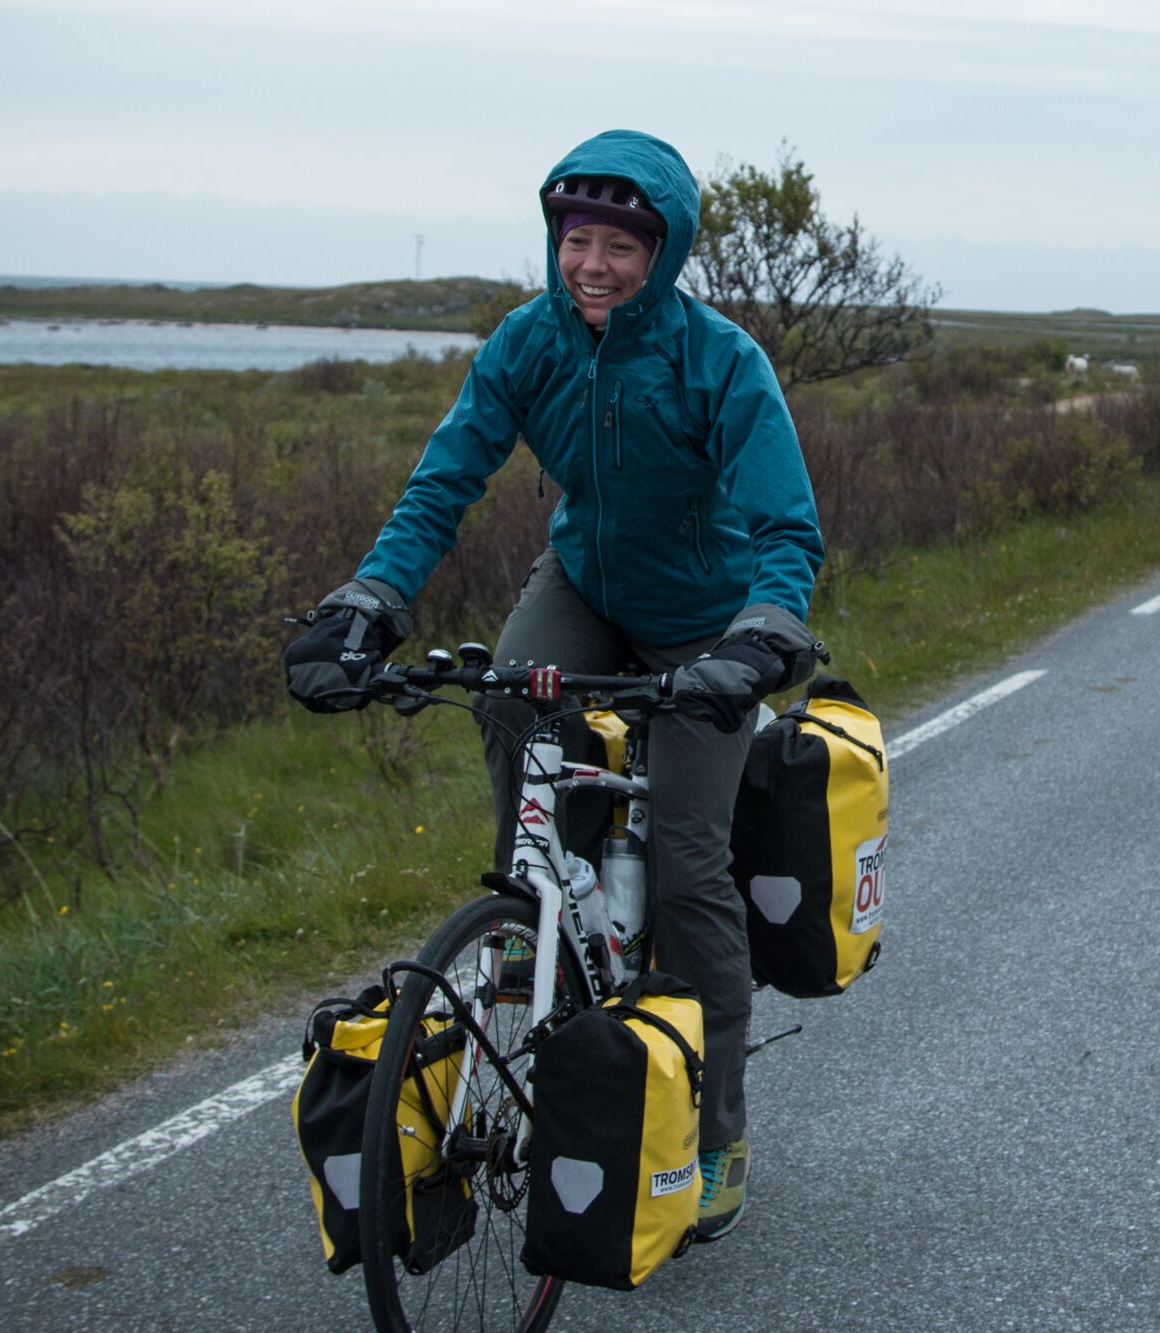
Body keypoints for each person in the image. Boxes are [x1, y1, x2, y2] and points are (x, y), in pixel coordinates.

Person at [282, 128, 825, 1243]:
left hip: (706, 621)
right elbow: (445, 480)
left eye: (622, 246)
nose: (595, 264)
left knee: (685, 869)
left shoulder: (718, 360)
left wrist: (760, 633)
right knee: (500, 691)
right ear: (553, 242)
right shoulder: (526, 342)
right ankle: (540, 897)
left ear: (661, 253)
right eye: (577, 239)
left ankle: (716, 1130)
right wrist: (369, 599)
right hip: (583, 578)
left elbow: (784, 526)